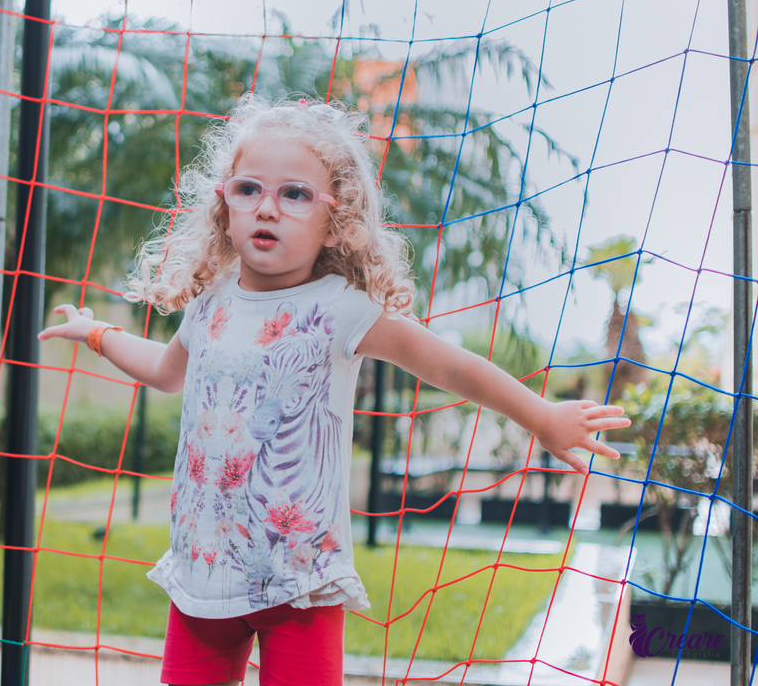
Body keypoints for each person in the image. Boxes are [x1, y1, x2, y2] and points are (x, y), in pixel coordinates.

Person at [39, 94, 629, 686]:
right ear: (223, 205)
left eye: (295, 194)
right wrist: (98, 332)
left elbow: (449, 367)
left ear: (336, 217)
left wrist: (542, 416)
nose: (267, 208)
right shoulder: (212, 303)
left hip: (300, 581)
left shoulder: (340, 309)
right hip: (204, 573)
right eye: (249, 189)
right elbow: (167, 371)